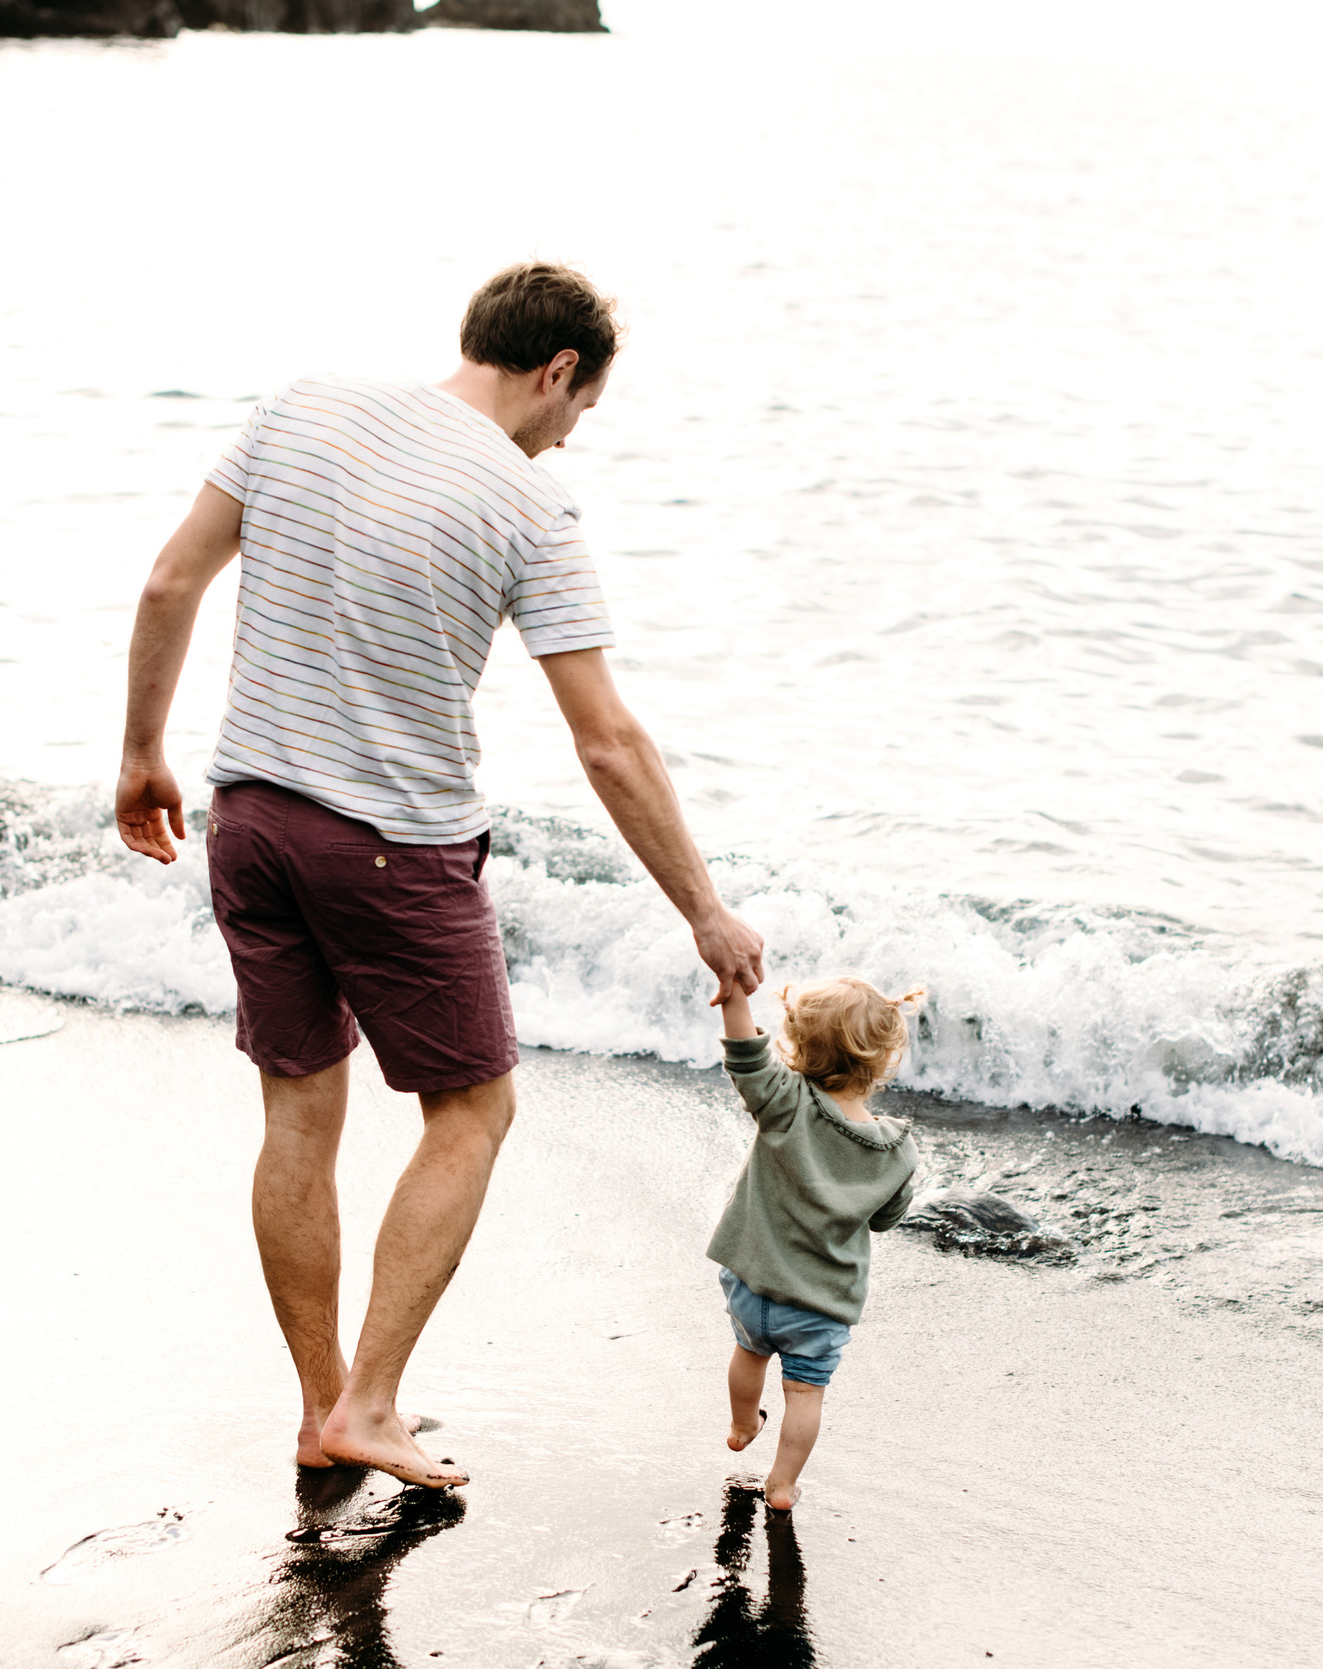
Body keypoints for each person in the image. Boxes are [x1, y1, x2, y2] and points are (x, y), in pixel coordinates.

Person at [115, 262, 765, 1490]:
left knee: (298, 1114)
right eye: (581, 409)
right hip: (391, 846)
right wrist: (705, 911)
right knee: (471, 1112)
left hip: (248, 818)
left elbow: (169, 581)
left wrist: (143, 753)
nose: (569, 436)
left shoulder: (300, 407)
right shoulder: (529, 506)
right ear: (556, 369)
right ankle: (368, 1403)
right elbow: (608, 741)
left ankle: (323, 1408)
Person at [710, 975, 924, 1511]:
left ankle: (741, 1426)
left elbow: (745, 1056)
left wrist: (733, 989)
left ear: (800, 1043)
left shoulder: (786, 1101)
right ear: (884, 1058)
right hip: (819, 1306)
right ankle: (781, 1485)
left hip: (753, 1285)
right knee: (804, 1394)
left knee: (749, 1354)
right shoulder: (897, 1150)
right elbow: (886, 1220)